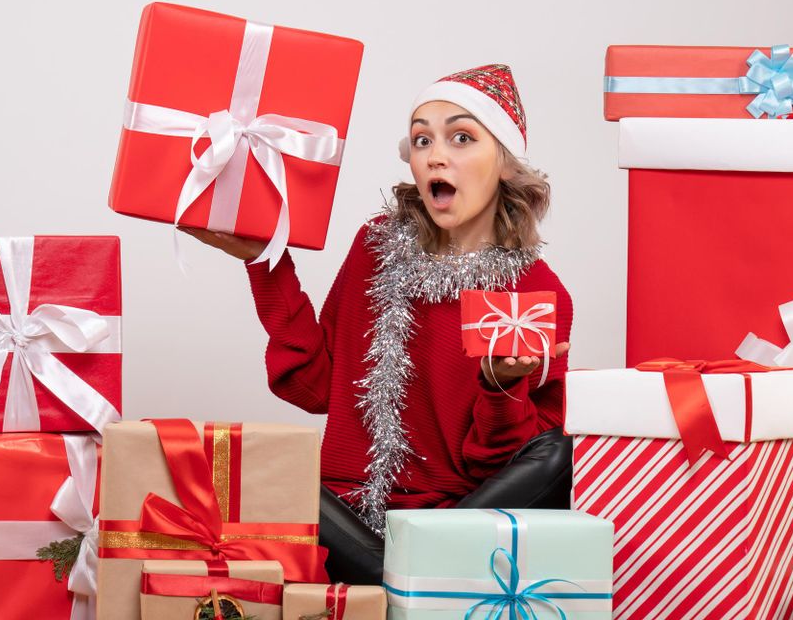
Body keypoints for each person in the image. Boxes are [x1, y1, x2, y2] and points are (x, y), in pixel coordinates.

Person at [183, 64, 573, 585]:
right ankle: (406, 579)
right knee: (263, 471)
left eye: (461, 137)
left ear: (503, 162)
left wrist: (500, 386)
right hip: (343, 518)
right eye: (421, 139)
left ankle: (403, 572)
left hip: (458, 521)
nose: (435, 155)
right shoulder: (374, 249)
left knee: (558, 453)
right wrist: (266, 263)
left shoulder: (535, 293)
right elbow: (315, 386)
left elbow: (504, 470)